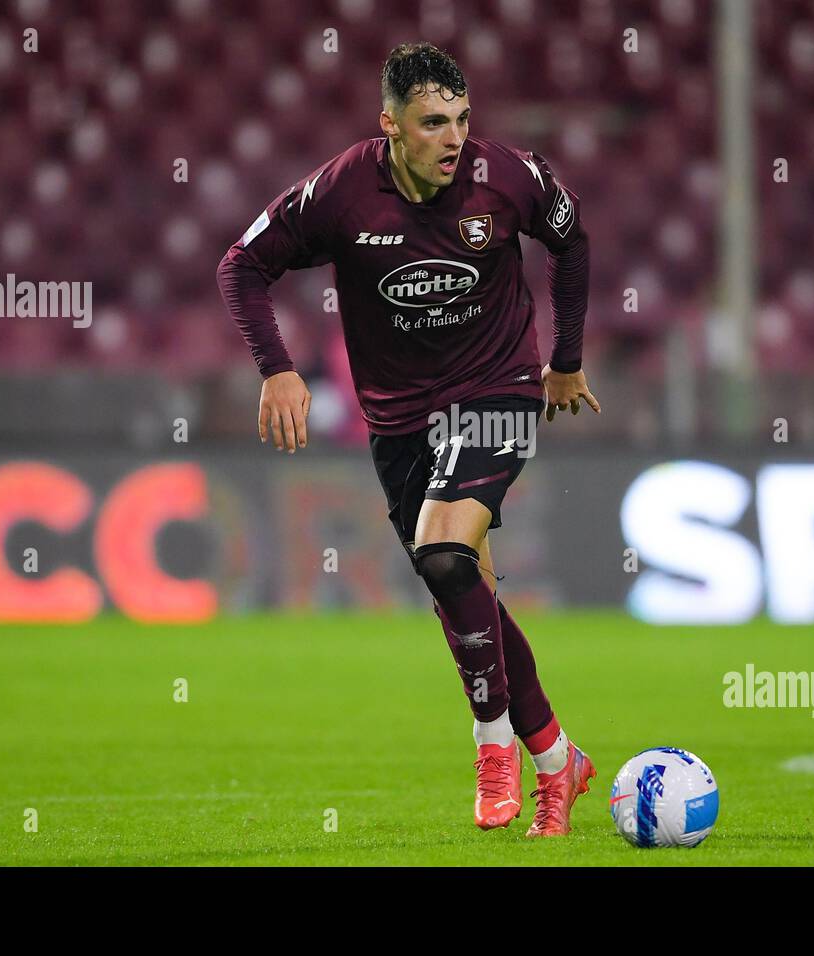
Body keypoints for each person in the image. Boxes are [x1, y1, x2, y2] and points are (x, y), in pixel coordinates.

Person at [218, 42, 599, 836]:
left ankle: (493, 747)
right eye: (433, 122)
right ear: (389, 124)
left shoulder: (508, 177)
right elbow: (240, 267)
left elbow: (573, 242)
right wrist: (278, 370)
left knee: (444, 555)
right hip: (400, 424)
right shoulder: (340, 192)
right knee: (469, 595)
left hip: (498, 389)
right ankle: (561, 763)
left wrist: (564, 362)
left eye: (462, 119)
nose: (453, 137)